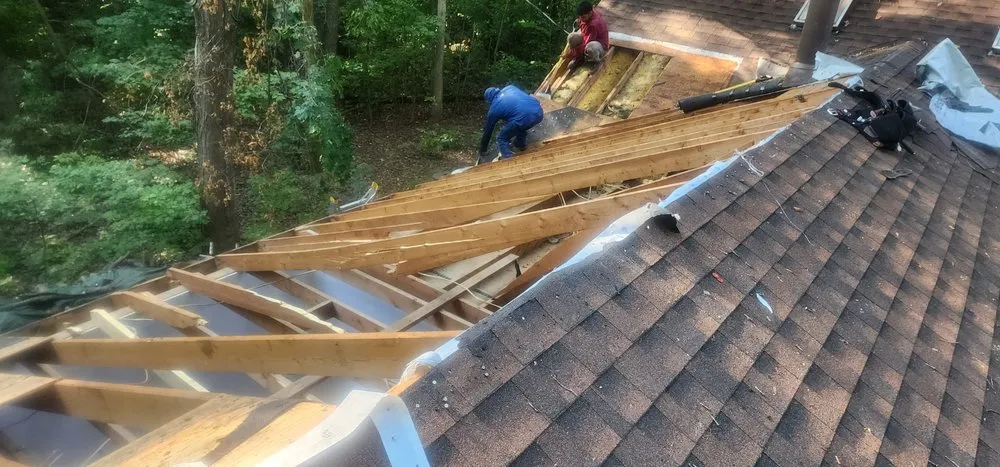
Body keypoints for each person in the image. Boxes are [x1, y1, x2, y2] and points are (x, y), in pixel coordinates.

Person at [478, 85, 544, 162]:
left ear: (489, 99)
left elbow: (488, 132)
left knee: (501, 138)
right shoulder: (510, 88)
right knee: (517, 123)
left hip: (524, 119)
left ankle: (509, 160)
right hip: (538, 112)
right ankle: (520, 144)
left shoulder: (494, 109)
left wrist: (483, 149)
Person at [565, 1, 609, 69]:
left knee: (590, 48)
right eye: (580, 17)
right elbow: (584, 35)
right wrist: (580, 21)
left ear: (590, 13)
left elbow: (586, 42)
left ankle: (595, 61)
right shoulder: (589, 12)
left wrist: (577, 56)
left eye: (583, 17)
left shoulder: (593, 25)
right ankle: (579, 56)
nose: (581, 19)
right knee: (571, 37)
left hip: (600, 45)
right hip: (589, 36)